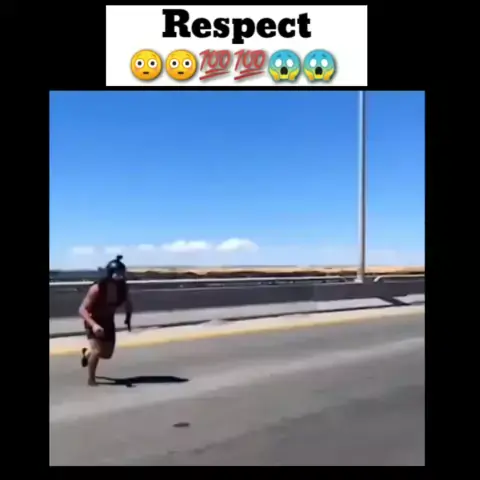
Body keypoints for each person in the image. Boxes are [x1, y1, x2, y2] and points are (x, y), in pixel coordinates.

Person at [78, 255, 133, 386]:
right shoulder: (97, 289)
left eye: (122, 273)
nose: (120, 276)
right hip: (93, 320)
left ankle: (87, 354)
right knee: (97, 351)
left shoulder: (123, 288)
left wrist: (128, 318)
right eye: (117, 273)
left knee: (107, 354)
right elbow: (81, 309)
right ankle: (91, 379)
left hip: (108, 321)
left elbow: (128, 304)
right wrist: (94, 325)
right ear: (110, 273)